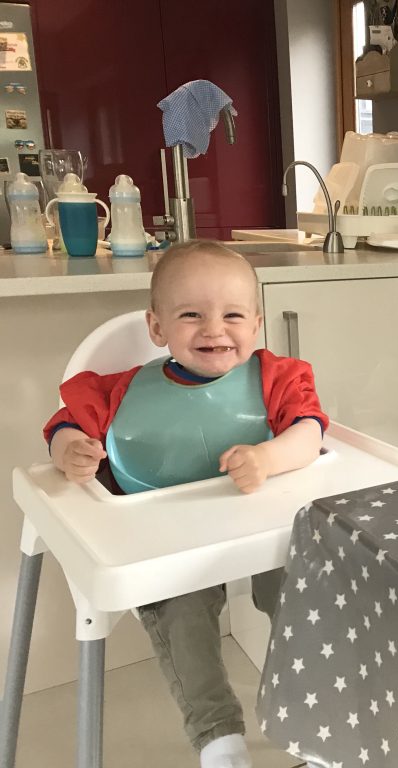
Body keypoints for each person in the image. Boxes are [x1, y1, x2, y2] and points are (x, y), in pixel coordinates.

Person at [43, 240, 328, 768]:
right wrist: (71, 450)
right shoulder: (119, 391)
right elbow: (65, 423)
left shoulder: (278, 378)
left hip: (261, 527)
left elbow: (310, 433)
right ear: (157, 328)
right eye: (191, 315)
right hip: (169, 542)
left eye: (233, 315)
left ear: (257, 323)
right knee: (183, 616)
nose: (214, 329)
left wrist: (267, 456)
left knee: (302, 593)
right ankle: (219, 741)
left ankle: (313, 716)